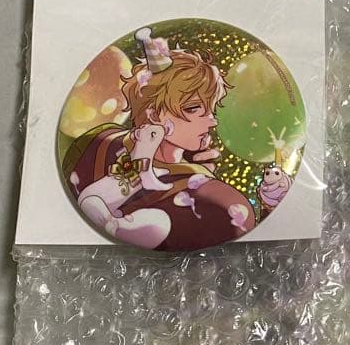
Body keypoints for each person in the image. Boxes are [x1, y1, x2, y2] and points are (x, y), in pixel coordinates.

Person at [63, 27, 256, 251]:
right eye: (193, 109)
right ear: (154, 115)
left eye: (211, 110)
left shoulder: (200, 182)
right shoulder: (103, 145)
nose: (212, 122)